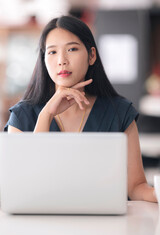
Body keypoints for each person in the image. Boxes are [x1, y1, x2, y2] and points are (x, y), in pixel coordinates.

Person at [4, 15, 157, 203]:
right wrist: (47, 114)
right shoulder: (22, 116)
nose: (62, 60)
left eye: (72, 49)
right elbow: (20, 186)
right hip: (39, 226)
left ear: (92, 55)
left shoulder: (119, 112)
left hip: (105, 227)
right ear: (43, 59)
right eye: (52, 52)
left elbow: (136, 187)